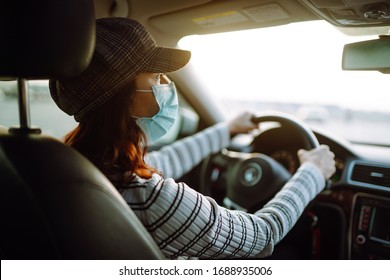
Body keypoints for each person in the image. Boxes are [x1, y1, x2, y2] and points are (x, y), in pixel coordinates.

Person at [49, 17, 336, 259]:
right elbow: (261, 236)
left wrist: (226, 130)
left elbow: (163, 161)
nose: (166, 84)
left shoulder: (73, 161)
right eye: (158, 75)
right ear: (126, 96)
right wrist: (312, 171)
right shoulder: (150, 197)